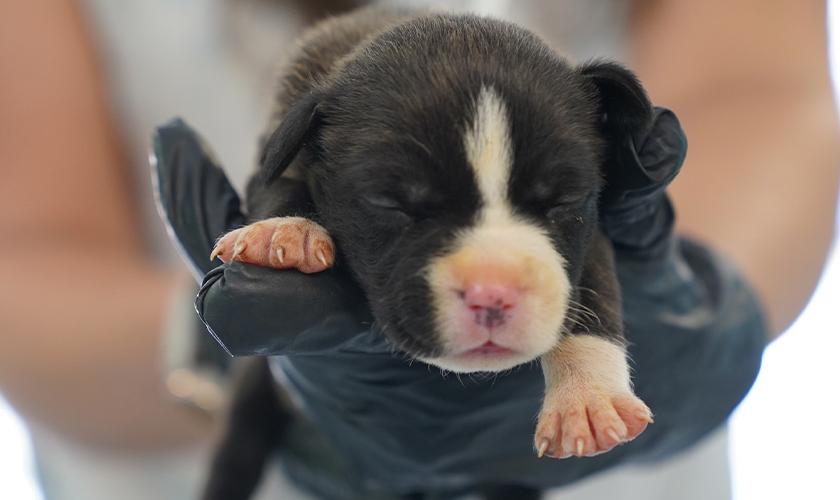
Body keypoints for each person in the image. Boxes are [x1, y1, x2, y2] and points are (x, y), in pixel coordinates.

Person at [0, 0, 836, 499]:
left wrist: (705, 306)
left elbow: (761, 85)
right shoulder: (314, 103)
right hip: (158, 447)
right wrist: (239, 341)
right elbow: (26, 249)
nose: (491, 284)